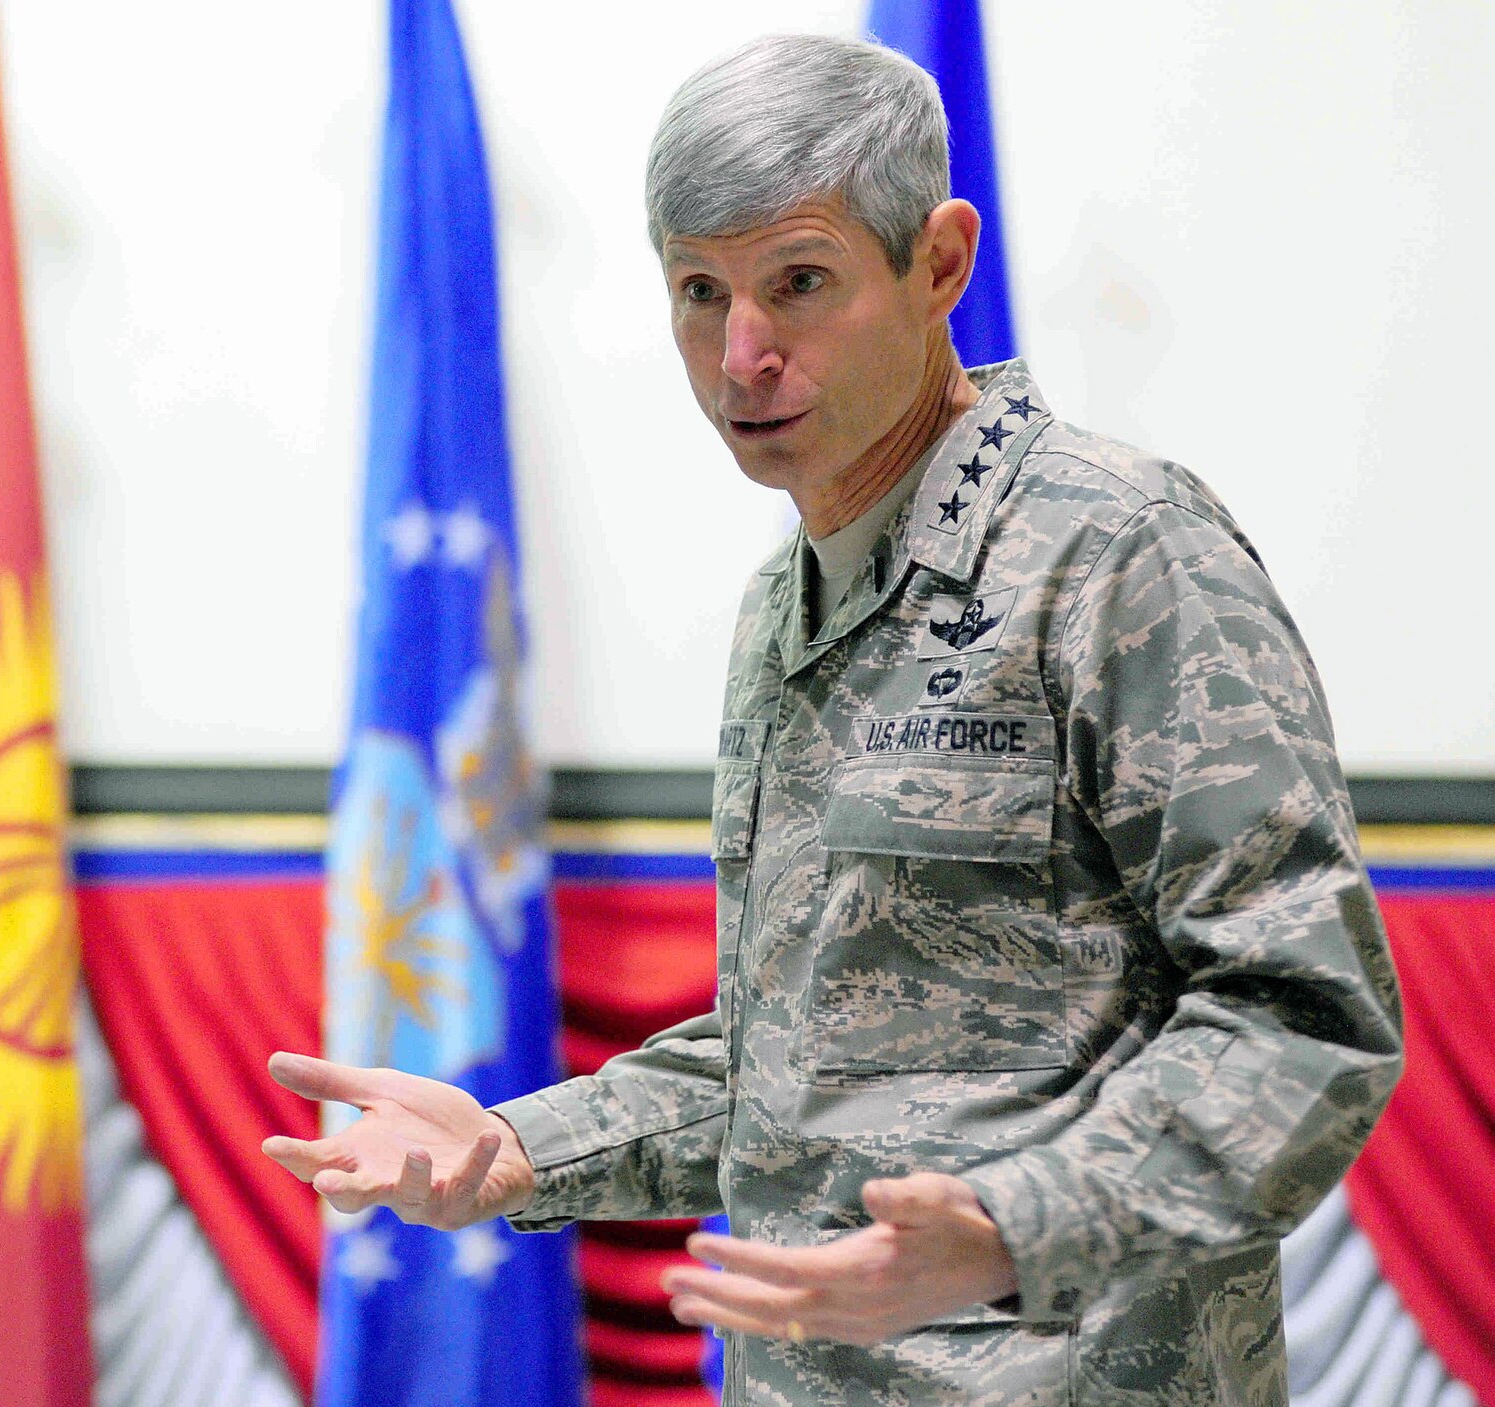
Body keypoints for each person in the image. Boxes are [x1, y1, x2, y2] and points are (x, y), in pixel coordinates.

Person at [264, 32, 1402, 1405]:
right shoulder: (781, 609)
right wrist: (519, 1151)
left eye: (798, 284)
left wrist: (1007, 1234)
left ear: (938, 263)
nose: (742, 357)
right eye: (700, 293)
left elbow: (1305, 1020)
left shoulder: (1121, 554)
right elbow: (796, 1055)